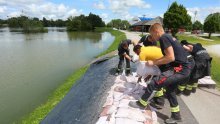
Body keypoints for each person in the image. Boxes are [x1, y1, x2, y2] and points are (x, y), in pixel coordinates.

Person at [129, 23, 191, 124]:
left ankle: (141, 103)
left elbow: (171, 57)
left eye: (152, 35)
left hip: (179, 69)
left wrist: (153, 62)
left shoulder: (163, 38)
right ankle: (176, 116)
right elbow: (170, 56)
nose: (152, 38)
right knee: (170, 91)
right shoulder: (169, 37)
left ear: (156, 31)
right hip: (183, 69)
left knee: (154, 83)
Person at [133, 43, 165, 109]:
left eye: (136, 52)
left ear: (138, 49)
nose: (137, 54)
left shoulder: (142, 53)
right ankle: (158, 101)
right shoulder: (146, 48)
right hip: (163, 61)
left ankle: (157, 102)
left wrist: (140, 77)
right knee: (156, 83)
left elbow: (142, 69)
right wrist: (149, 75)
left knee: (154, 83)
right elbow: (151, 67)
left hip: (164, 64)